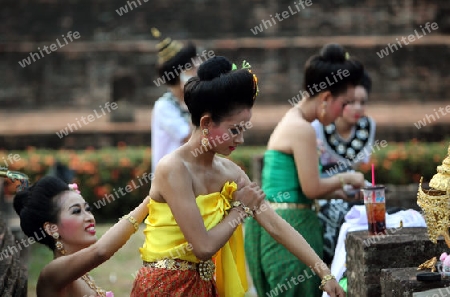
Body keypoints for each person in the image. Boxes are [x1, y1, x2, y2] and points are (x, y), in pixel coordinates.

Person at [130, 56, 344, 297]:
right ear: (207, 122)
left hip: (205, 287)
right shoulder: (173, 168)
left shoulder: (229, 172)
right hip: (164, 287)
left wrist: (324, 273)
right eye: (235, 129)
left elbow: (275, 224)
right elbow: (203, 247)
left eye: (244, 129)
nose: (241, 139)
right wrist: (240, 209)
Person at [244, 44, 367, 297]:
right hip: (291, 228)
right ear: (325, 98)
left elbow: (302, 187)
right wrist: (347, 177)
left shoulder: (295, 121)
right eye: (344, 104)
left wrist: (343, 194)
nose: (344, 112)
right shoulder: (303, 129)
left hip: (284, 223)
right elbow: (311, 188)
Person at [13, 175, 150, 297]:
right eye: (77, 211)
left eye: (88, 209)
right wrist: (149, 202)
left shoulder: (82, 275)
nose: (89, 217)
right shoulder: (51, 273)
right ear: (51, 228)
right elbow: (100, 252)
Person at [312, 70, 376, 264]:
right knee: (339, 213)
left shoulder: (367, 126)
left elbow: (359, 169)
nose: (357, 108)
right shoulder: (317, 127)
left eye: (362, 102)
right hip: (322, 191)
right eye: (351, 102)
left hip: (352, 188)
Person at [151, 28, 200, 173]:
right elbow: (190, 138)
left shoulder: (186, 103)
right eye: (191, 68)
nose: (196, 72)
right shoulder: (164, 107)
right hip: (170, 181)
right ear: (179, 74)